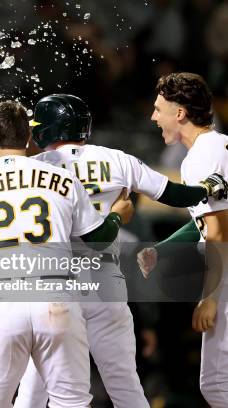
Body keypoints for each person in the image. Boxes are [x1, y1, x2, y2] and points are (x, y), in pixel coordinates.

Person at [14, 94, 228, 408]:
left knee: (35, 388)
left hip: (52, 285)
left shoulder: (28, 169)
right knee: (126, 387)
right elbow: (178, 196)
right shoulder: (117, 159)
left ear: (45, 129)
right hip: (104, 281)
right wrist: (208, 187)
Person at [0, 100, 133, 408]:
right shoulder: (63, 178)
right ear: (29, 138)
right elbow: (97, 240)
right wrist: (116, 215)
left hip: (3, 298)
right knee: (71, 403)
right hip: (57, 296)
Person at [138, 72, 228, 407]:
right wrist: (161, 250)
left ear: (180, 113)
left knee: (217, 383)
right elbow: (205, 223)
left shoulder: (204, 156)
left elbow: (220, 231)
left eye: (158, 108)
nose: (153, 116)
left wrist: (211, 297)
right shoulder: (214, 147)